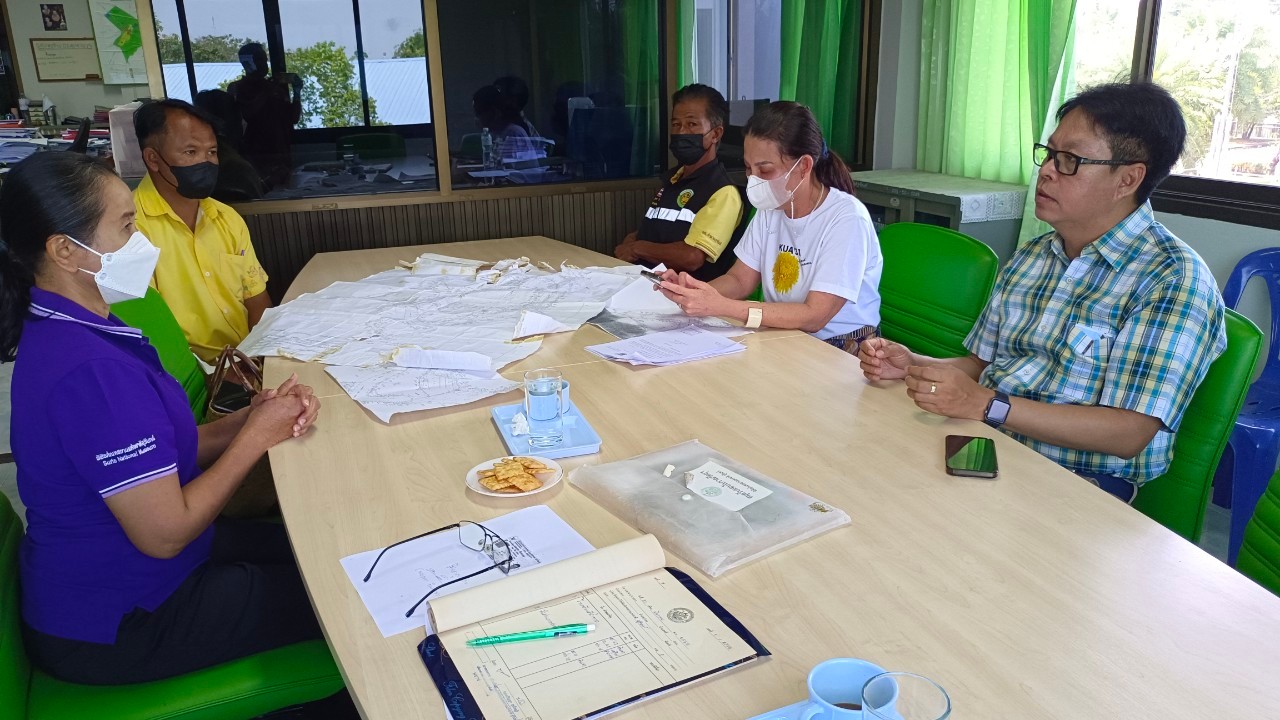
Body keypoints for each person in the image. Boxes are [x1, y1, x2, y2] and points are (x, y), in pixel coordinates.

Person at [0, 151, 321, 685]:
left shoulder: (81, 326)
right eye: (127, 226)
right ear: (64, 250)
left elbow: (168, 447)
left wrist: (253, 417)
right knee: (341, 589)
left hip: (154, 564)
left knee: (325, 546)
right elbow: (165, 534)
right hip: (122, 617)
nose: (142, 242)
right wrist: (255, 439)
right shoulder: (91, 371)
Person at [859, 83, 1225, 502]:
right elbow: (982, 364)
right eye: (1049, 153)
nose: (1047, 171)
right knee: (865, 476)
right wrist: (914, 365)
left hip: (1080, 484)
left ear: (1127, 179)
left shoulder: (1172, 279)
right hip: (986, 444)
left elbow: (1129, 432)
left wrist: (987, 405)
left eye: (1070, 160)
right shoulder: (1034, 255)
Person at [658, 101, 882, 353]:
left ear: (804, 166)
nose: (753, 179)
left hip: (839, 348)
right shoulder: (771, 207)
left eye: (764, 170)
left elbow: (814, 316)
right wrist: (694, 292)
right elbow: (739, 280)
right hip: (784, 336)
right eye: (748, 168)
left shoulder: (847, 218)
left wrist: (719, 305)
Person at [132, 98, 272, 364]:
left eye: (212, 152)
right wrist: (216, 377)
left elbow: (257, 301)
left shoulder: (227, 218)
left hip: (247, 362)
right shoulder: (130, 230)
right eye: (190, 152)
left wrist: (260, 360)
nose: (205, 162)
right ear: (153, 159)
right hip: (189, 376)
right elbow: (148, 335)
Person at [616, 84, 744, 281]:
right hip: (642, 280)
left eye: (692, 124)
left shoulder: (722, 192)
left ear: (715, 134)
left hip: (679, 292)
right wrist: (631, 241)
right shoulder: (674, 180)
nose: (681, 132)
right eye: (676, 124)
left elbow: (691, 257)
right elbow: (653, 231)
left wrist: (637, 248)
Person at [227, 42, 302, 190]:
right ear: (247, 63)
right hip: (256, 154)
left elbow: (293, 118)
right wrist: (267, 90)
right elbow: (248, 115)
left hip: (281, 152)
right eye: (259, 60)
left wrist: (297, 92)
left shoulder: (277, 88)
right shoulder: (237, 88)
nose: (264, 64)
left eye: (265, 59)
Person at [193, 89, 265, 202]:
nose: (243, 122)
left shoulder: (194, 161)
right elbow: (258, 205)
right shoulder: (235, 166)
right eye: (239, 116)